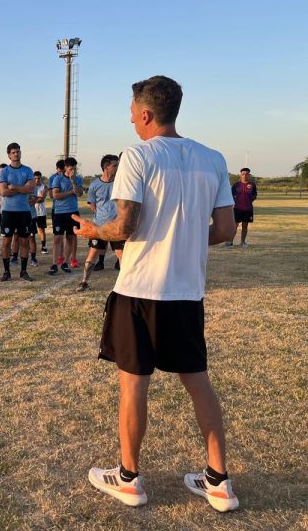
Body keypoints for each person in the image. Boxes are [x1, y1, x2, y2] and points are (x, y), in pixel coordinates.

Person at [74, 76, 238, 512]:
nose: (129, 117)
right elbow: (224, 230)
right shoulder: (213, 158)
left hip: (139, 290)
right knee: (199, 384)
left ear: (146, 113)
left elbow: (125, 226)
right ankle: (218, 482)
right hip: (187, 292)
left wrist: (93, 230)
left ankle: (129, 478)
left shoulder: (138, 155)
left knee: (134, 385)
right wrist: (181, 238)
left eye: (131, 111)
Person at [76, 154, 122, 291]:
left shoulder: (120, 182)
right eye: (115, 165)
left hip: (116, 225)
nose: (117, 167)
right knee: (93, 253)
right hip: (99, 226)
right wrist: (102, 216)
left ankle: (126, 285)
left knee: (121, 255)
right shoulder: (95, 184)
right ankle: (84, 282)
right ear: (106, 167)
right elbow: (92, 205)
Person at [0, 143, 35, 282]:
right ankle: (7, 271)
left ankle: (23, 271)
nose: (16, 154)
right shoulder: (5, 171)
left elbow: (31, 189)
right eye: (13, 152)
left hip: (24, 212)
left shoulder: (27, 170)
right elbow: (3, 192)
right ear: (9, 155)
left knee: (24, 241)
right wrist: (22, 188)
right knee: (6, 242)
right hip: (8, 212)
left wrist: (13, 187)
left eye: (18, 152)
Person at [49, 157, 84, 274]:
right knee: (57, 238)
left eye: (74, 168)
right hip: (59, 213)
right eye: (70, 168)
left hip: (73, 212)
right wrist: (70, 192)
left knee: (70, 238)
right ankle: (54, 264)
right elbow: (56, 195)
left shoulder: (78, 179)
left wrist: (73, 181)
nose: (73, 170)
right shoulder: (57, 179)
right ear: (65, 168)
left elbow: (79, 194)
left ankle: (66, 262)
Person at [226, 167, 257, 247]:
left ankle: (242, 242)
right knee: (234, 226)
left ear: (249, 175)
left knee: (245, 226)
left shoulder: (252, 185)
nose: (244, 176)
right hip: (237, 209)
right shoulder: (236, 185)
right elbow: (231, 195)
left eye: (246, 174)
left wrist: (249, 200)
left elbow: (254, 195)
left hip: (248, 209)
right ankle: (230, 242)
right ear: (240, 175)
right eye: (243, 174)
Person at [33, 172, 49, 254]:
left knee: (41, 230)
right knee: (31, 231)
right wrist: (37, 199)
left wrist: (33, 200)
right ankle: (31, 247)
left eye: (38, 178)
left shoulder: (44, 187)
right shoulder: (31, 187)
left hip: (41, 212)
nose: (36, 180)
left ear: (40, 178)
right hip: (32, 212)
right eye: (35, 178)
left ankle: (43, 247)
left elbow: (42, 199)